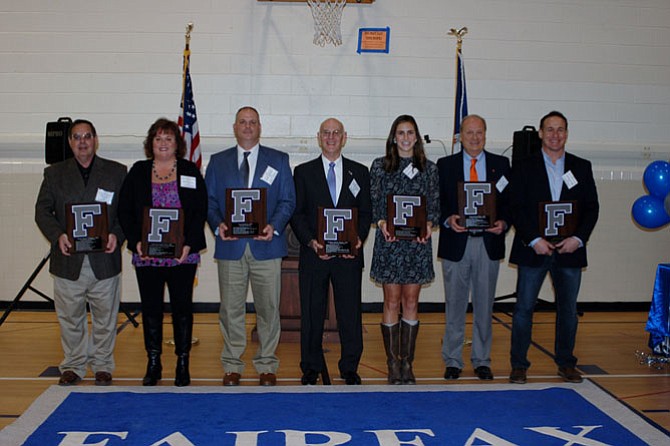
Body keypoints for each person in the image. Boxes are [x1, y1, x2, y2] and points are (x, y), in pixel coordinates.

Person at [205, 106, 295, 387]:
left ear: (260, 127)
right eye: (242, 122)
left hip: (266, 247)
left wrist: (274, 226)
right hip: (231, 247)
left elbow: (288, 201)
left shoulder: (278, 160)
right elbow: (208, 201)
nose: (247, 127)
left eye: (252, 122)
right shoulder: (218, 162)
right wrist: (218, 223)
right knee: (231, 309)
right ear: (234, 127)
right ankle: (232, 364)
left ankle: (267, 363)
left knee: (268, 308)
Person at [508, 111, 599, 384]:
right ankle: (519, 365)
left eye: (560, 130)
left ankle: (566, 363)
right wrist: (534, 239)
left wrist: (578, 239)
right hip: (533, 249)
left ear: (567, 133)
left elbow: (592, 208)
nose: (555, 135)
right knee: (524, 308)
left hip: (569, 251)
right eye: (550, 129)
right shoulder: (524, 166)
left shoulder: (581, 167)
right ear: (540, 133)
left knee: (568, 310)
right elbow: (516, 208)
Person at [35, 119, 127, 386]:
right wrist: (58, 235)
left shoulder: (116, 172)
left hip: (104, 259)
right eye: (77, 137)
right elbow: (42, 212)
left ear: (96, 140)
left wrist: (116, 235)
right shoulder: (54, 174)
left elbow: (126, 213)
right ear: (70, 142)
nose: (83, 141)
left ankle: (102, 366)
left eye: (87, 136)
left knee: (105, 318)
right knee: (70, 318)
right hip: (68, 260)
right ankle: (73, 366)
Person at [118, 118, 207, 387]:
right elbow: (125, 211)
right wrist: (137, 243)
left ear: (177, 143)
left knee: (182, 309)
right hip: (148, 256)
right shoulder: (138, 171)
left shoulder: (190, 170)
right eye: (158, 139)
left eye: (168, 138)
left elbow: (200, 210)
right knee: (152, 309)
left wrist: (189, 244)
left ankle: (183, 362)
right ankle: (153, 362)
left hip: (183, 256)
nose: (163, 143)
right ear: (151, 143)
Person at [291, 117, 372, 385]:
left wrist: (358, 239)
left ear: (344, 137)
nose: (331, 137)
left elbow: (366, 214)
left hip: (349, 257)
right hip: (316, 255)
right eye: (326, 132)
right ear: (318, 137)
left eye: (336, 133)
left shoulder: (360, 172)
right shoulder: (303, 172)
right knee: (312, 313)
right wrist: (312, 242)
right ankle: (311, 366)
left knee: (350, 313)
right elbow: (297, 214)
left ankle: (349, 367)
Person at [437, 114, 511, 381]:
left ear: (486, 135)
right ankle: (453, 359)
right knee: (455, 305)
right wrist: (448, 219)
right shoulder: (445, 166)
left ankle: (482, 359)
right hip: (457, 244)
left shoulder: (502, 165)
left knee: (484, 304)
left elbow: (511, 204)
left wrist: (503, 223)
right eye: (470, 133)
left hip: (488, 244)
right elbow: (438, 204)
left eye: (480, 133)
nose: (475, 138)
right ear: (460, 136)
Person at [370, 115, 439, 385]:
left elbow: (434, 207)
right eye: (401, 133)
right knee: (391, 301)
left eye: (411, 132)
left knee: (411, 302)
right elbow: (374, 203)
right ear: (393, 137)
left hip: (416, 246)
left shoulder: (429, 169)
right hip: (390, 244)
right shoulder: (379, 167)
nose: (406, 138)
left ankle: (407, 363)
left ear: (417, 137)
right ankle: (392, 364)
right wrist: (382, 222)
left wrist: (429, 225)